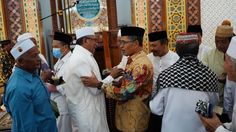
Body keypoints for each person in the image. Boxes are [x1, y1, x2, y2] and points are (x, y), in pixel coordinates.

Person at [81, 26, 154, 132]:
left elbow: (124, 93)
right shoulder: (133, 60)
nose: (120, 46)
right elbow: (128, 85)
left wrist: (99, 84)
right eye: (120, 42)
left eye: (124, 42)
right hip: (126, 117)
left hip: (134, 120)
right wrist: (118, 82)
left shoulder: (141, 65)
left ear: (136, 43)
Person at [149, 33, 219, 132]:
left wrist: (174, 106)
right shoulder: (209, 76)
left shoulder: (166, 76)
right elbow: (212, 106)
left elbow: (156, 109)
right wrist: (194, 106)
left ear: (177, 50)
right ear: (197, 50)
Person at [3, 39, 57, 131]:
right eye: (34, 56)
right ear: (20, 61)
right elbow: (26, 127)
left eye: (38, 54)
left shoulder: (32, 73)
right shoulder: (18, 88)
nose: (38, 59)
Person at [62, 27, 109, 132]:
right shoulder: (80, 59)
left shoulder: (84, 55)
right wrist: (112, 76)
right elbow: (95, 89)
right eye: (94, 40)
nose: (97, 43)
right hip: (88, 115)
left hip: (89, 112)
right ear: (85, 40)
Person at [199, 36, 236, 132]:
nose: (223, 65)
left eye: (226, 60)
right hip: (223, 112)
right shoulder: (231, 78)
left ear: (232, 65)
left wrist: (217, 128)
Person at [147, 30, 179, 131]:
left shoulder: (176, 59)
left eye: (154, 46)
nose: (151, 49)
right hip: (152, 103)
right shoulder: (148, 59)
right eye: (150, 45)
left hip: (171, 105)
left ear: (165, 44)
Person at [202, 20, 234, 107]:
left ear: (230, 41)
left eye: (223, 42)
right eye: (217, 41)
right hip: (216, 106)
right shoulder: (209, 55)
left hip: (231, 106)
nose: (219, 45)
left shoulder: (233, 57)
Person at [48, 31, 73, 132]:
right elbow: (57, 79)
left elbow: (67, 82)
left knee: (64, 129)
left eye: (56, 46)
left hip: (64, 104)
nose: (53, 49)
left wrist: (51, 86)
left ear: (65, 47)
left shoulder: (71, 61)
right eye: (53, 46)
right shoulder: (59, 61)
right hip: (56, 101)